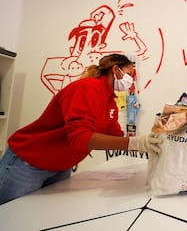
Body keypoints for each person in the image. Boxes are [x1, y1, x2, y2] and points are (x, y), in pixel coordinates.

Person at [0, 54, 163, 205]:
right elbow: (80, 138)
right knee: (9, 215)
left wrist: (153, 140)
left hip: (61, 166)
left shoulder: (110, 101)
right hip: (29, 163)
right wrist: (136, 143)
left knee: (43, 214)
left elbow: (115, 136)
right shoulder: (88, 88)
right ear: (115, 70)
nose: (131, 80)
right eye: (129, 74)